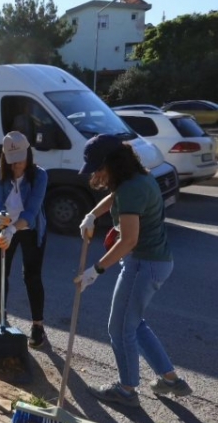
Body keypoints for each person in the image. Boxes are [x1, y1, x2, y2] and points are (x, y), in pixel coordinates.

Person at [76, 134, 193, 407]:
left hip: (143, 264)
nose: (97, 174)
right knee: (134, 324)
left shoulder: (131, 188)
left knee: (119, 328)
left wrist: (96, 269)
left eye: (99, 168)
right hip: (155, 262)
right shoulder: (137, 179)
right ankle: (170, 379)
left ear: (113, 163)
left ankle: (126, 390)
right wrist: (92, 215)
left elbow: (128, 240)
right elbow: (114, 197)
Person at [0, 131, 48, 348]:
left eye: (21, 159)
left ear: (28, 154)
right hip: (4, 228)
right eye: (12, 161)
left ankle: (38, 325)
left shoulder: (40, 176)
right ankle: (0, 312)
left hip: (29, 228)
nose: (17, 165)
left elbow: (31, 213)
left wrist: (12, 230)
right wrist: (0, 216)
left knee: (31, 275)